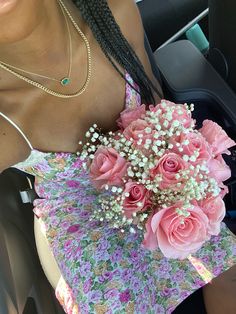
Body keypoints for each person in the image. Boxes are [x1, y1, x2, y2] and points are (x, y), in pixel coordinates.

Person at [0, 0, 235, 313]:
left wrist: (184, 174)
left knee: (229, 274)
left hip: (159, 186)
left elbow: (159, 115)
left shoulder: (111, 12)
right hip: (83, 226)